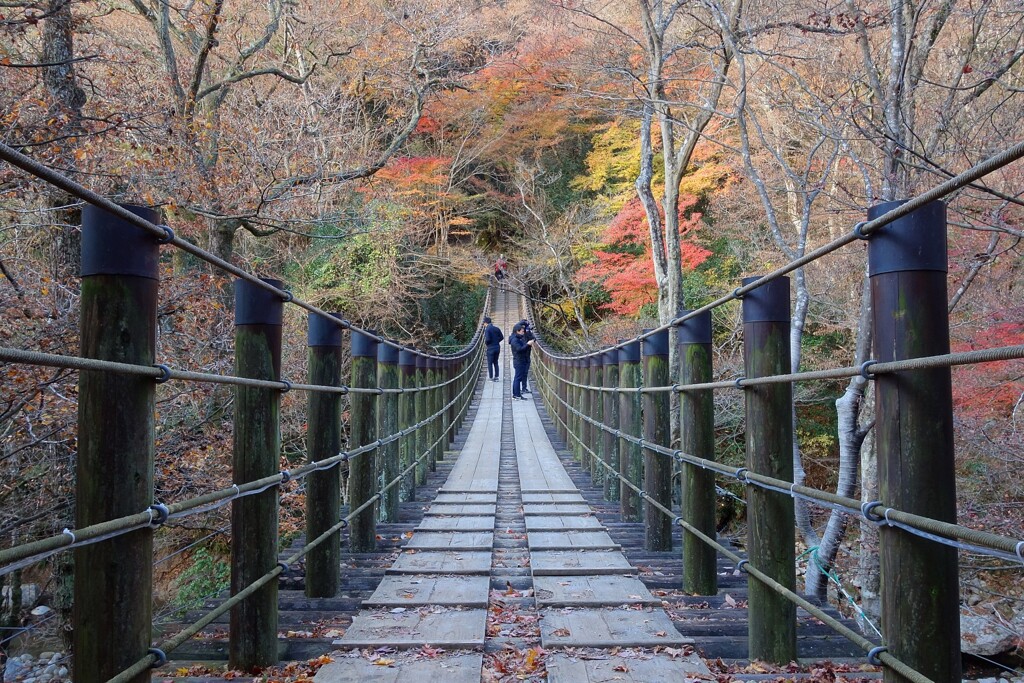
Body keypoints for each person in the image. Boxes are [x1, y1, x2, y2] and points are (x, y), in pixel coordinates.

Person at [509, 322, 534, 400]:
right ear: (517, 331)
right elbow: (519, 349)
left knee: (517, 377)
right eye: (522, 332)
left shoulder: (516, 338)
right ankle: (516, 395)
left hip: (520, 360)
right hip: (519, 361)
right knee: (518, 378)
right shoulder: (515, 340)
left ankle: (517, 394)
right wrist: (528, 344)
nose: (524, 333)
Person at [483, 316, 503, 382]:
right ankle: (496, 377)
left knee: (490, 363)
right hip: (497, 347)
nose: (483, 325)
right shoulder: (496, 328)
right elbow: (501, 337)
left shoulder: (487, 329)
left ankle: (491, 377)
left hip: (490, 348)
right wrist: (496, 341)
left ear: (486, 323)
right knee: (495, 362)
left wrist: (486, 343)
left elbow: (488, 339)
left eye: (484, 323)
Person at [518, 319, 534, 395]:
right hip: (521, 357)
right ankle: (519, 390)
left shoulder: (527, 333)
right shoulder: (517, 335)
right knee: (520, 373)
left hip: (527, 355)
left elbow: (534, 339)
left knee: (525, 372)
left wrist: (528, 331)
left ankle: (523, 388)